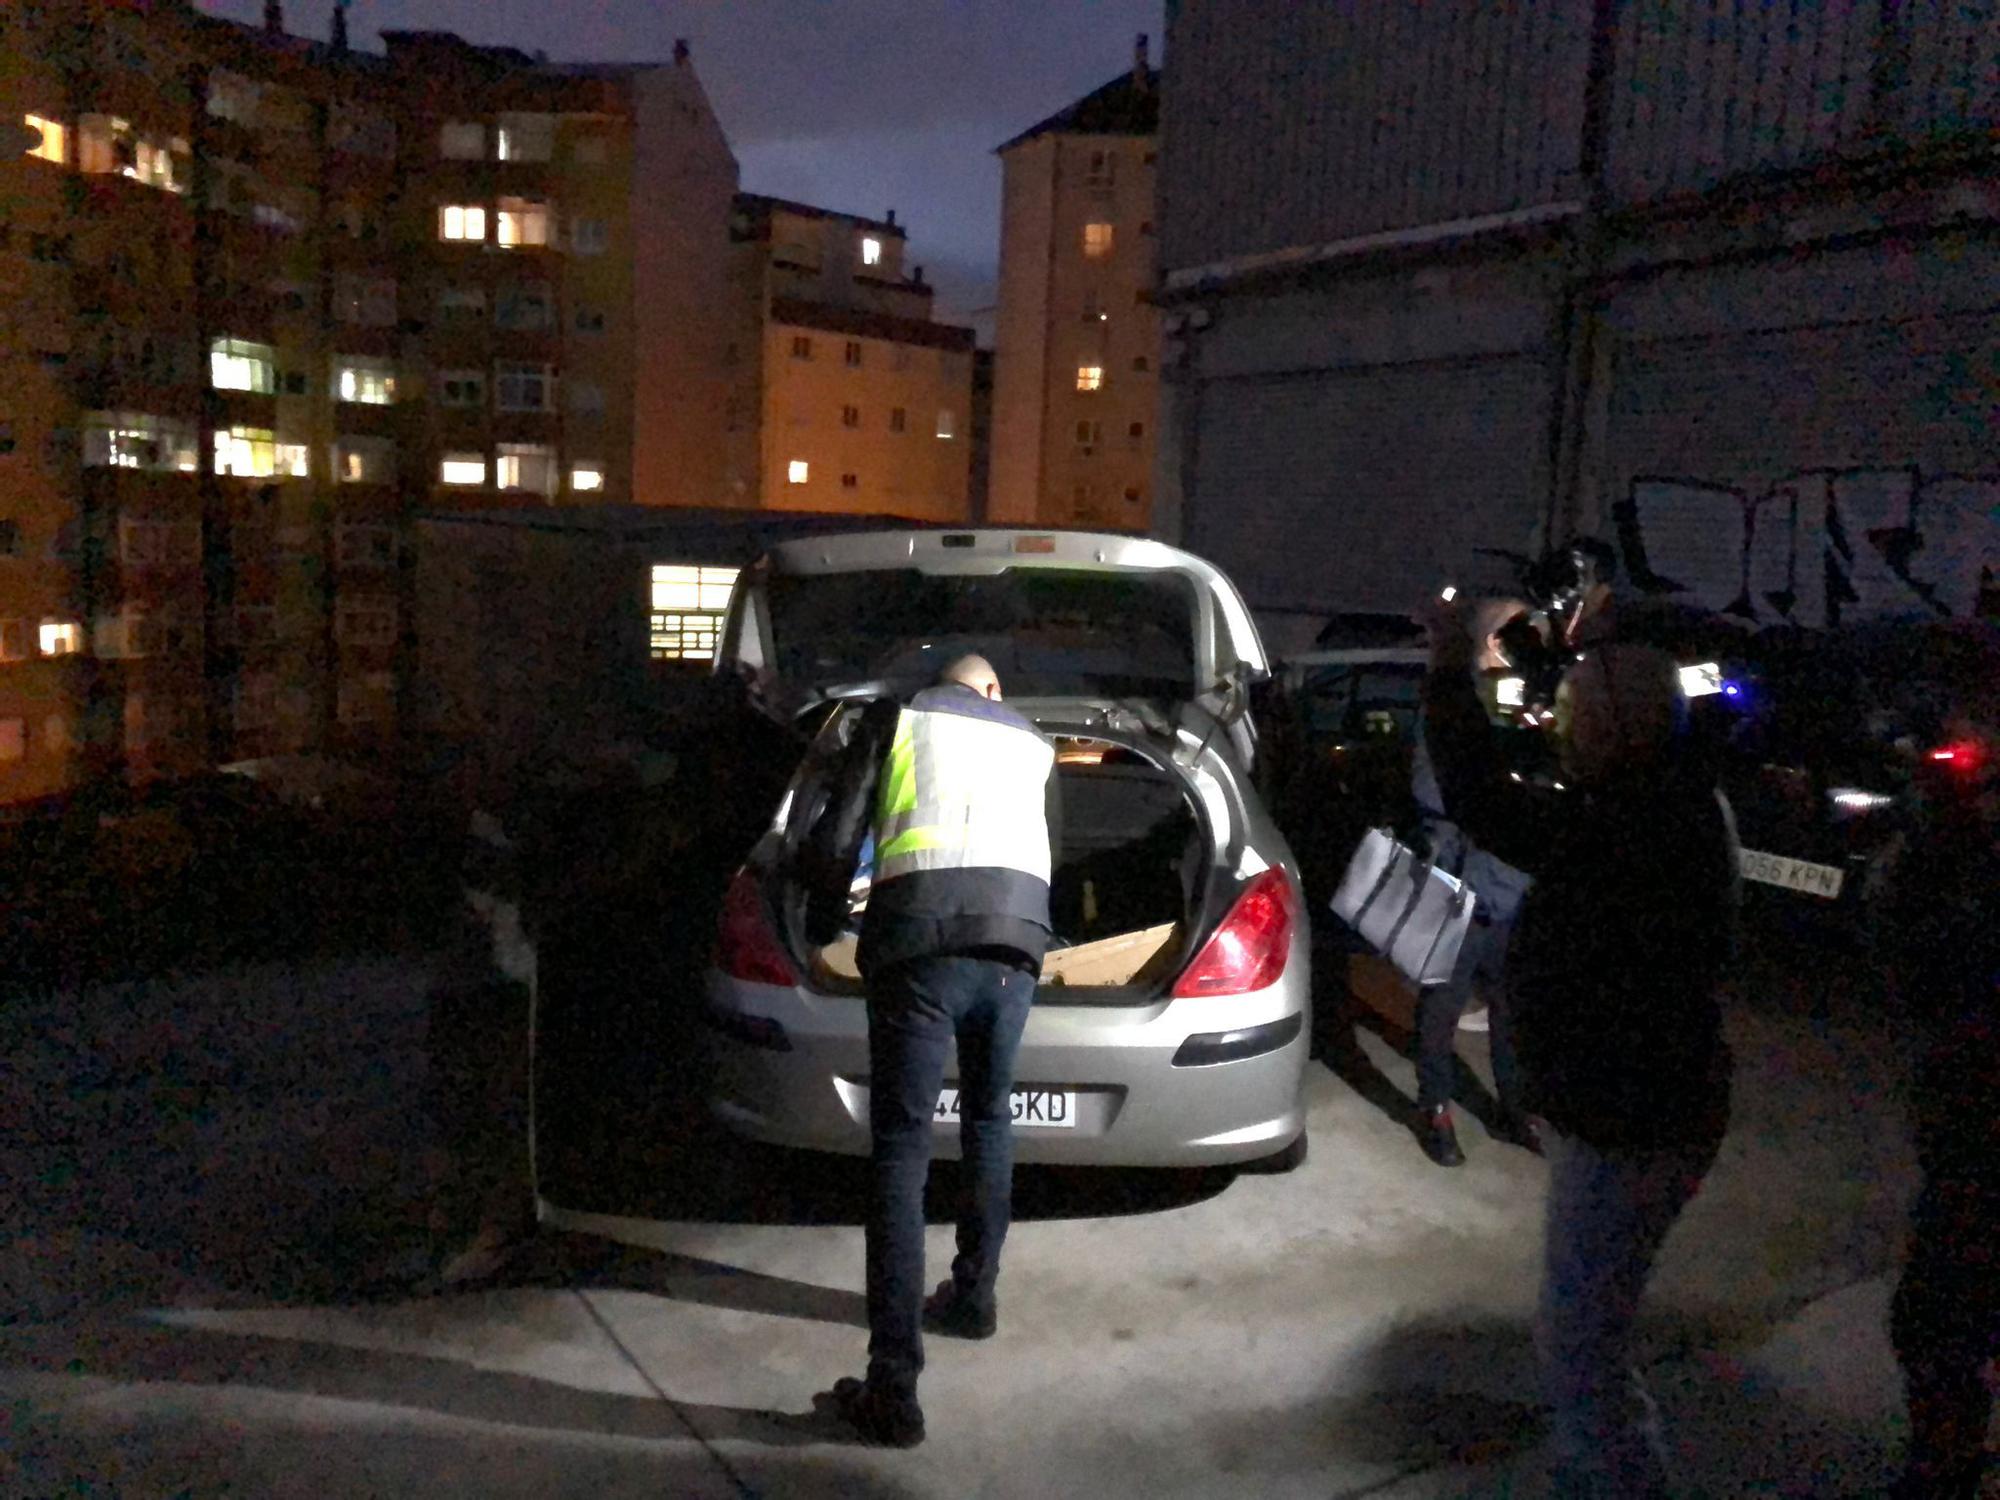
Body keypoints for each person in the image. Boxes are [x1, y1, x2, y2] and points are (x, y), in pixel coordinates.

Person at [1417, 596, 1739, 1498]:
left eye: (1578, 718)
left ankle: (1616, 1483)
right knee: (1586, 1331)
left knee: (1579, 1346)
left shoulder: (1635, 821)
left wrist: (1449, 665)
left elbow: (1484, 801)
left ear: (1616, 726)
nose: (1564, 734)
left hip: (1633, 1122)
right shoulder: (1671, 802)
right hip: (1635, 1112)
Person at [798, 654, 1055, 1448]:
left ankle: (894, 1388)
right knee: (988, 1121)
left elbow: (839, 834)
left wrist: (819, 917)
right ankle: (974, 1298)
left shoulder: (900, 720)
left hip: (918, 948)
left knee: (903, 1153)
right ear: (994, 690)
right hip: (1016, 949)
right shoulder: (1033, 743)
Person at [1887, 709, 1999, 1500]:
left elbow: (1925, 963)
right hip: (1965, 1140)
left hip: (1979, 1147)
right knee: (1934, 1327)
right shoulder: (1961, 864)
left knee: (1937, 1325)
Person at [1407, 600, 1541, 1167]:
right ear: (1490, 642)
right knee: (1442, 1006)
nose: (1534, 638)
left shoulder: (1526, 701)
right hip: (1459, 886)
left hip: (1513, 889)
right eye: (1519, 631)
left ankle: (1513, 1110)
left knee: (1512, 1009)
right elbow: (1430, 791)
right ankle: (1435, 1109)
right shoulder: (1454, 704)